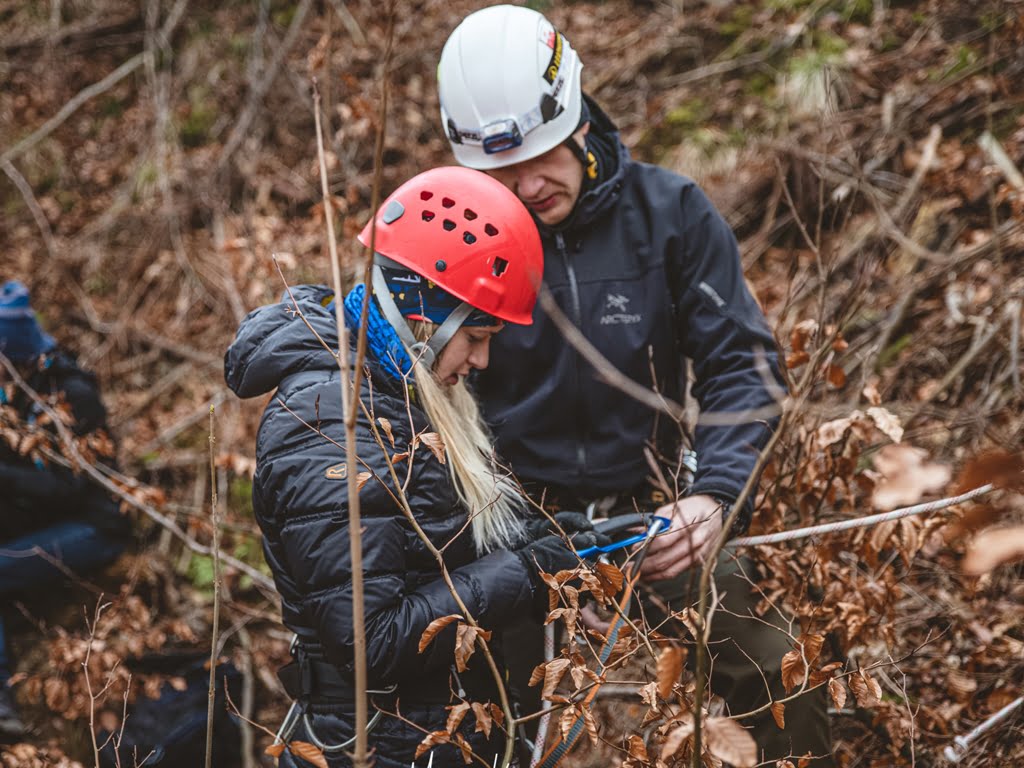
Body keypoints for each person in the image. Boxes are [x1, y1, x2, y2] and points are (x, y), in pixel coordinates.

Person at [437, 6, 833, 765]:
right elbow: (415, 396)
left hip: (652, 519)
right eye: (499, 172)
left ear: (577, 114)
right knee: (481, 718)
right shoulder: (458, 240)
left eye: (541, 155)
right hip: (511, 531)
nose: (526, 185)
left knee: (782, 671)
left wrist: (713, 499)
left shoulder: (670, 215)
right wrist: (512, 545)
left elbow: (741, 365)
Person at [225, 167, 607, 768]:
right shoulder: (330, 424)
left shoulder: (392, 391)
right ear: (422, 317)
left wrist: (549, 549)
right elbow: (370, 642)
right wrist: (525, 573)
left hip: (437, 732)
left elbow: (431, 553)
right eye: (476, 336)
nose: (481, 360)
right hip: (381, 746)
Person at [0, 280, 131, 740]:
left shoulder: (72, 392)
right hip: (48, 520)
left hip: (97, 526)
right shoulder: (14, 393)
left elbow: (74, 485)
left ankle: (3, 707)